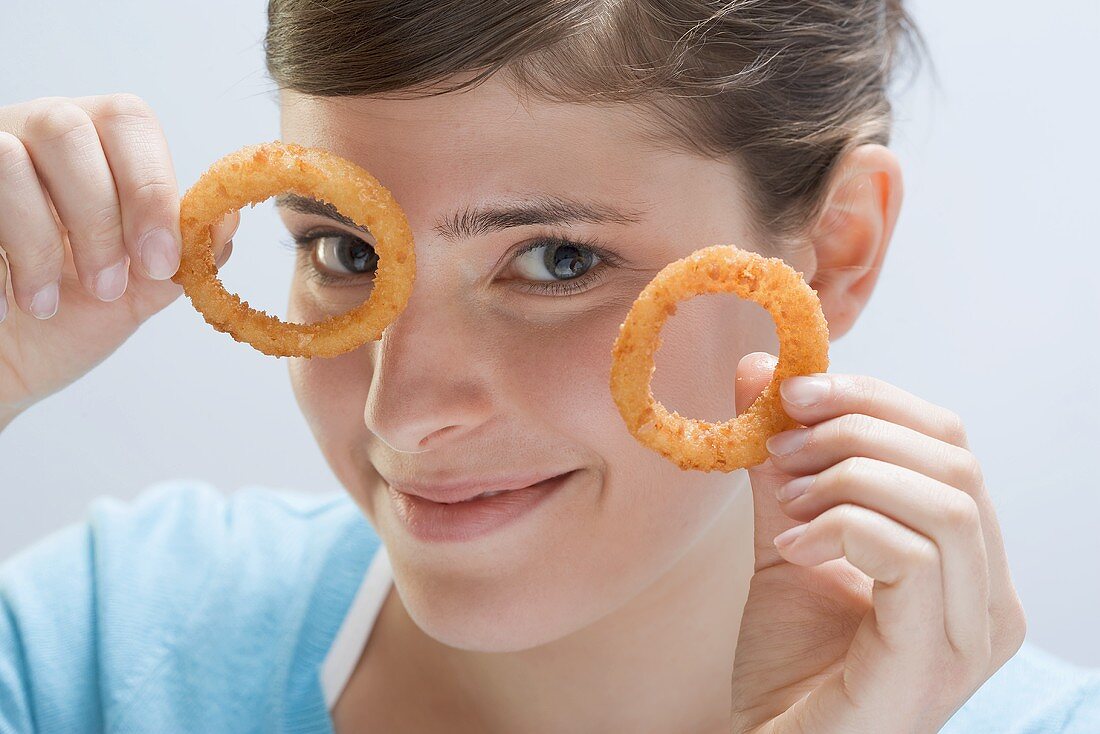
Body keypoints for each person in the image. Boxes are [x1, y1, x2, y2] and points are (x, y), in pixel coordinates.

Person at [0, 1, 1097, 732]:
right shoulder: (98, 647)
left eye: (557, 260)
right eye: (343, 251)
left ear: (833, 251)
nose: (406, 409)